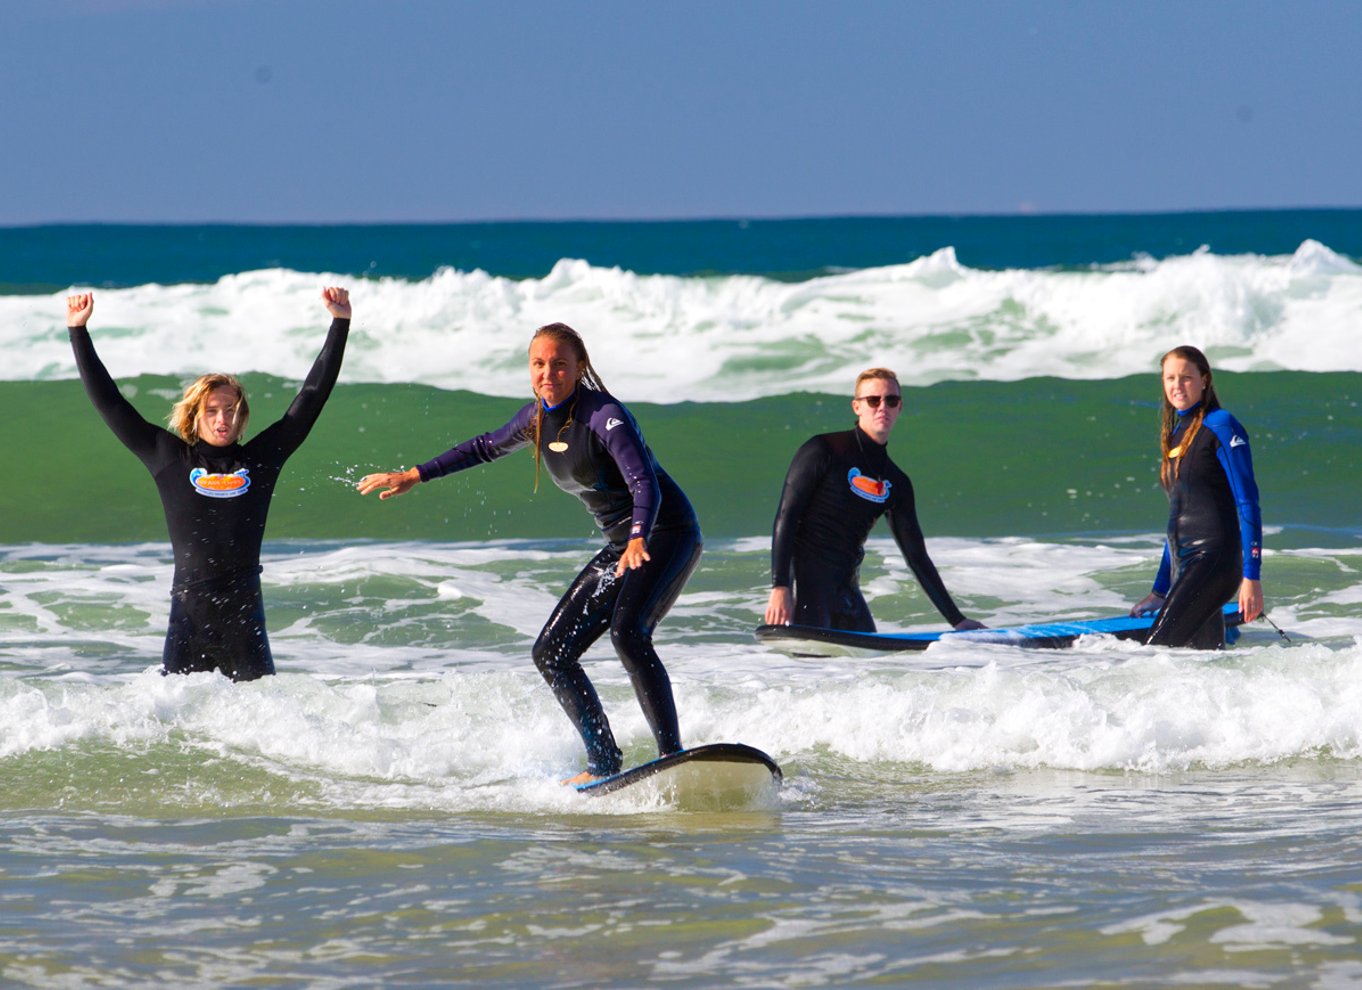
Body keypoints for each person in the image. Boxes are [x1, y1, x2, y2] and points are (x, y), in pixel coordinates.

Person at [357, 323, 702, 784]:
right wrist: (416, 474)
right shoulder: (536, 418)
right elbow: (482, 447)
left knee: (628, 633)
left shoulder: (605, 415)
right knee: (552, 652)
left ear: (579, 367)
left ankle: (671, 754)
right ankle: (603, 761)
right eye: (538, 363)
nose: (548, 373)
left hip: (665, 531)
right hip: (625, 543)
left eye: (559, 363)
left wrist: (639, 535)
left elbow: (643, 481)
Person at [66, 287, 352, 681]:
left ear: (242, 415)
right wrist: (78, 331)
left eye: (231, 410)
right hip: (189, 619)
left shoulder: (261, 459)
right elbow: (111, 403)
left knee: (261, 722)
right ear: (195, 416)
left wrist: (340, 322)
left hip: (245, 621)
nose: (223, 419)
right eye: (213, 411)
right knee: (176, 728)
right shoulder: (169, 458)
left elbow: (311, 396)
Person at [763, 367, 982, 633]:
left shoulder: (896, 482)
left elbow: (916, 557)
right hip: (809, 592)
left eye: (891, 400)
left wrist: (956, 619)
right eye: (873, 400)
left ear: (900, 407)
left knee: (867, 666)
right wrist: (780, 586)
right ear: (857, 407)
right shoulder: (823, 450)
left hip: (848, 593)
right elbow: (787, 515)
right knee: (812, 668)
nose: (883, 407)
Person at [1130, 345, 1263, 648]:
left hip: (1213, 560)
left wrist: (1251, 577)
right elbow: (1179, 520)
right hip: (1186, 564)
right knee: (1202, 661)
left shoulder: (1221, 424)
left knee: (1156, 651)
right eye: (1170, 378)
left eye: (1186, 377)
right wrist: (1161, 590)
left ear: (1204, 380)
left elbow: (1248, 503)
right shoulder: (1177, 435)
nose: (1177, 385)